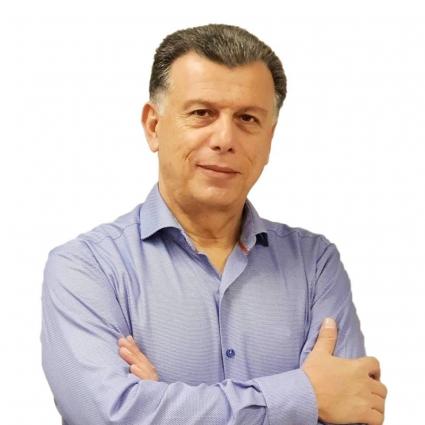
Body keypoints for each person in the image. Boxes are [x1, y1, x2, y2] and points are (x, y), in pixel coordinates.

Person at [41, 24, 387, 425]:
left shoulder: (315, 265)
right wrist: (305, 396)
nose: (225, 138)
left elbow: (353, 411)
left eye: (247, 118)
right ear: (153, 126)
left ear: (269, 138)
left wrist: (161, 405)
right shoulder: (85, 269)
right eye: (202, 113)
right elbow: (108, 416)